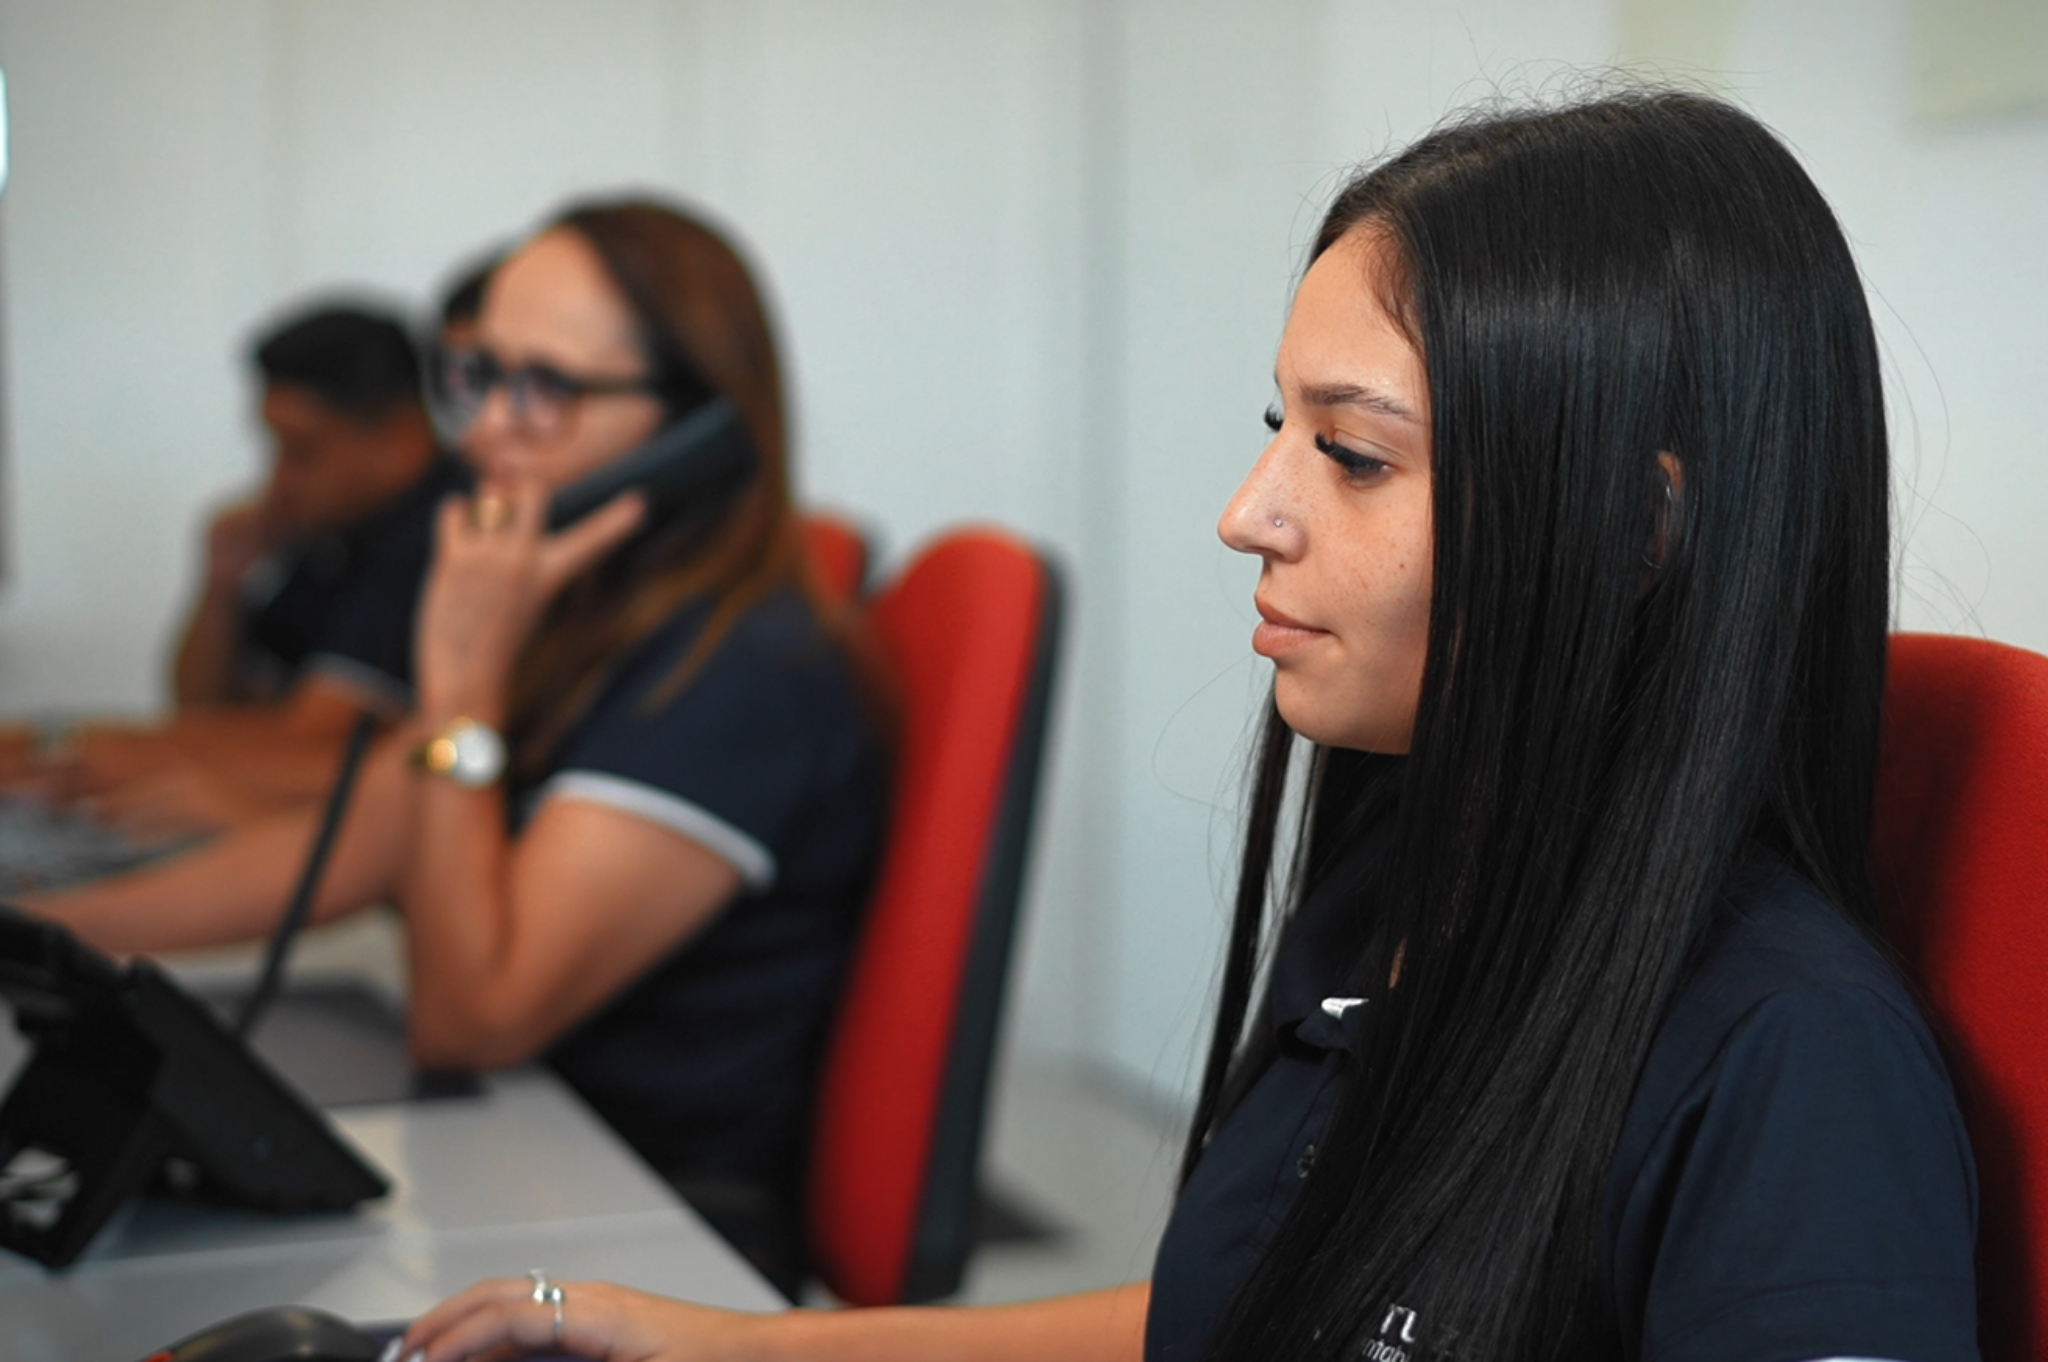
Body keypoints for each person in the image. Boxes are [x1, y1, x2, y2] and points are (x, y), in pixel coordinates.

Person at [393, 91, 1978, 1362]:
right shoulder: (1402, 879)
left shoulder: (1793, 1070)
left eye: (1354, 455)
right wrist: (734, 1344)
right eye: (1280, 427)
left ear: (1640, 529)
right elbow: (1241, 1315)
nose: (1248, 512)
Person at [25, 197, 891, 1289]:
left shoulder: (740, 674)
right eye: (477, 375)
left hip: (646, 1235)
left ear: (696, 430)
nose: (481, 431)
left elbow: (470, 1017)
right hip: (520, 1162)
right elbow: (339, 847)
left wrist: (462, 682)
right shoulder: (580, 618)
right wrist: (46, 933)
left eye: (547, 387)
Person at [5, 304, 468, 837]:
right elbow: (202, 706)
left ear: (400, 431)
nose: (280, 476)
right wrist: (222, 587)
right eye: (274, 447)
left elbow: (313, 740)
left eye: (302, 450)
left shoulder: (437, 533)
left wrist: (69, 745)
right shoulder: (332, 531)